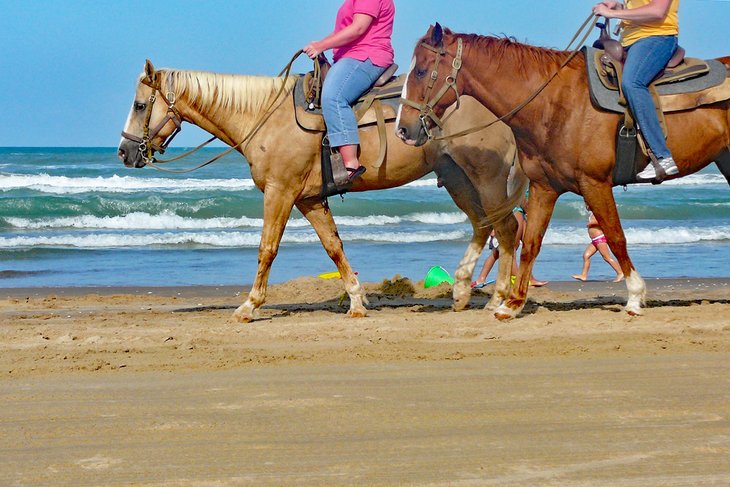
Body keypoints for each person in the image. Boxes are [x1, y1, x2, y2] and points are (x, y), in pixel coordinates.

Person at [303, 0, 395, 184]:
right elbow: (344, 30)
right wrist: (322, 43)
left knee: (333, 97)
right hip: (350, 56)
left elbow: (359, 28)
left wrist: (322, 46)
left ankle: (350, 164)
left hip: (366, 55)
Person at [592, 0, 680, 180]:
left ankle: (663, 157)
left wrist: (613, 14)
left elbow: (657, 11)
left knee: (633, 83)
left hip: (657, 38)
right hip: (629, 42)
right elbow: (639, 10)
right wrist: (618, 7)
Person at [471, 204, 548, 289]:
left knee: (524, 245)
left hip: (519, 213)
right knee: (507, 251)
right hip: (508, 215)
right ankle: (516, 279)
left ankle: (528, 278)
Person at [572, 209, 624, 282]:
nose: (586, 206)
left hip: (600, 238)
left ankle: (620, 272)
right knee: (586, 256)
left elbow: (603, 222)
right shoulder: (592, 213)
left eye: (587, 204)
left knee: (606, 257)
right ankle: (583, 275)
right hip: (594, 240)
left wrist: (592, 223)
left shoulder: (599, 212)